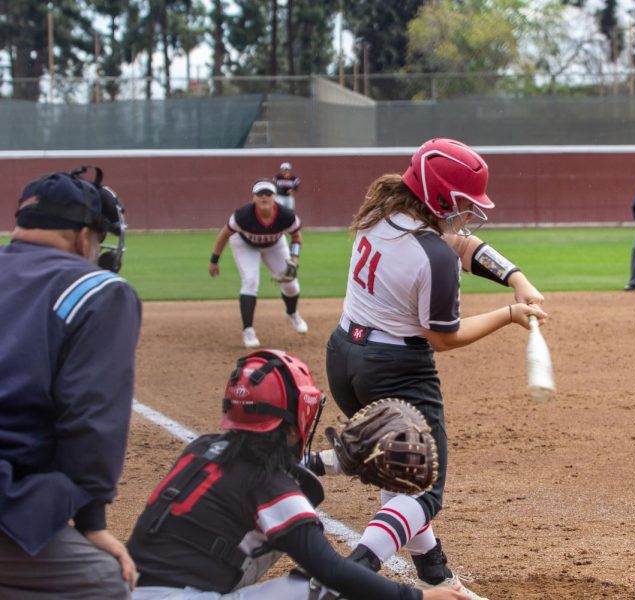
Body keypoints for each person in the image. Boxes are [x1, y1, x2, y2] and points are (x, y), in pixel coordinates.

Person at [321, 138, 548, 600]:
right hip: (396, 369)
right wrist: (509, 314)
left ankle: (434, 572)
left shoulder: (381, 210)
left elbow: (460, 242)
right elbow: (444, 336)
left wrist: (517, 278)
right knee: (424, 488)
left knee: (399, 468)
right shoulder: (433, 255)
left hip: (344, 354)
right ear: (440, 196)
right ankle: (350, 577)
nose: (468, 212)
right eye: (462, 202)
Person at [126, 349, 467, 600]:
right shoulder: (270, 487)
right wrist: (419, 598)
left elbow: (266, 467)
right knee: (320, 590)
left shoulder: (202, 449)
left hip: (130, 590)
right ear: (293, 420)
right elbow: (331, 569)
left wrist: (339, 460)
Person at [0, 166, 142, 598]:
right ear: (84, 238)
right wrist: (93, 523)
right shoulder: (99, 289)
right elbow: (91, 416)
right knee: (106, 581)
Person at [209, 179, 308, 349]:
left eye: (268, 194)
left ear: (274, 197)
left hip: (275, 245)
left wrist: (294, 259)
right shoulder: (243, 215)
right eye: (260, 194)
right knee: (250, 281)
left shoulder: (286, 215)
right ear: (253, 197)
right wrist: (214, 261)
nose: (264, 198)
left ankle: (291, 313)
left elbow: (297, 236)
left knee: (291, 285)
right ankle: (248, 331)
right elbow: (224, 235)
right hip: (244, 245)